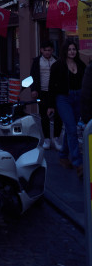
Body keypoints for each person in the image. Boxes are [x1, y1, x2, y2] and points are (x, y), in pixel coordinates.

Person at [48, 39, 86, 177]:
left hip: (78, 98)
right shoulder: (57, 66)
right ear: (65, 51)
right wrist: (51, 105)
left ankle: (63, 155)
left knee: (71, 129)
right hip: (63, 98)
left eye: (74, 49)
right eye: (69, 49)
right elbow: (51, 86)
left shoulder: (81, 64)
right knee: (71, 129)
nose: (72, 52)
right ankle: (78, 163)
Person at [30, 40, 60, 149]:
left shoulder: (57, 60)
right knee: (44, 116)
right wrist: (33, 89)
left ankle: (56, 138)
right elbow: (32, 76)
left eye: (49, 50)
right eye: (45, 50)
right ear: (41, 50)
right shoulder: (37, 61)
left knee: (58, 116)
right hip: (41, 92)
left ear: (52, 50)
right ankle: (47, 139)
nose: (47, 52)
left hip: (55, 92)